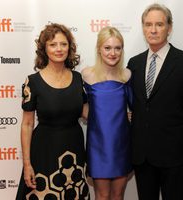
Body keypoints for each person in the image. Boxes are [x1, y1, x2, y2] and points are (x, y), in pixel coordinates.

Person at [16, 23, 90, 200]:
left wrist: (118, 114)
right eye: (53, 44)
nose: (59, 49)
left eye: (63, 44)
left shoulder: (78, 78)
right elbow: (27, 124)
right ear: (44, 48)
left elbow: (87, 113)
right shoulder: (32, 82)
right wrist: (27, 164)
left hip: (74, 149)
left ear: (69, 47)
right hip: (44, 151)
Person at [127, 3, 183, 200]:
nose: (153, 30)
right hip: (142, 156)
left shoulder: (181, 61)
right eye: (148, 24)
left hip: (175, 156)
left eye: (159, 24)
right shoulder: (134, 63)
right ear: (143, 28)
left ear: (169, 27)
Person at [82, 26, 132, 200]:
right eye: (108, 48)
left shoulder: (127, 75)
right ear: (99, 49)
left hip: (121, 144)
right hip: (98, 146)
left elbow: (136, 106)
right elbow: (80, 105)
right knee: (102, 196)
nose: (113, 53)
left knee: (118, 195)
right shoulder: (86, 75)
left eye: (117, 48)